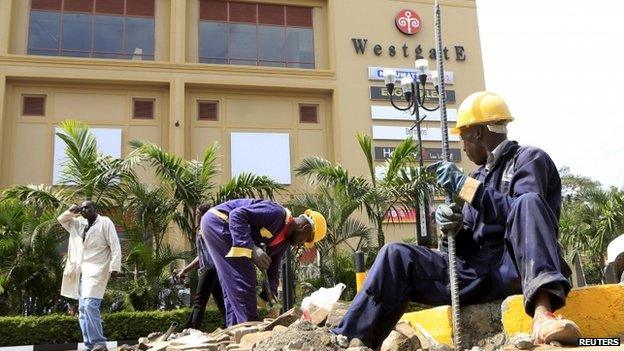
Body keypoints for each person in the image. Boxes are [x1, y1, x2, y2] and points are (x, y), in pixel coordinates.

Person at [332, 91, 581, 348]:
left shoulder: (528, 159)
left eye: (463, 137)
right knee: (395, 255)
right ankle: (350, 339)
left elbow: (524, 214)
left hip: (515, 267)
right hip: (477, 274)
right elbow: (464, 247)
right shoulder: (479, 176)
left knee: (527, 202)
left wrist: (467, 188)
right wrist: (453, 229)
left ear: (478, 132)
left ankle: (543, 316)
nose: (462, 145)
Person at [200, 198, 326, 326]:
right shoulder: (277, 213)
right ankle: (249, 328)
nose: (301, 244)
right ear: (304, 228)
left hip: (218, 227)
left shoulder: (283, 242)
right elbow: (237, 215)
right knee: (243, 276)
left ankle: (235, 331)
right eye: (305, 240)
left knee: (232, 285)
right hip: (219, 221)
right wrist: (252, 248)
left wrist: (269, 292)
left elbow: (273, 265)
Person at [58, 201, 122, 351]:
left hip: (98, 270)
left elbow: (115, 245)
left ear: (95, 209)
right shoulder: (78, 224)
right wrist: (71, 211)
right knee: (82, 310)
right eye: (82, 208)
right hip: (80, 271)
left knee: (90, 306)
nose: (84, 210)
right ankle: (89, 344)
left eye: (87, 207)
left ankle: (99, 342)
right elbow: (62, 219)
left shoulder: (105, 222)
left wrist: (114, 267)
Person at [176, 204, 226, 329]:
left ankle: (193, 328)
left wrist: (205, 231)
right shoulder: (204, 230)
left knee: (199, 301)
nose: (196, 217)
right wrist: (185, 270)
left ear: (204, 215)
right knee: (220, 301)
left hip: (210, 269)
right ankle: (231, 324)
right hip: (214, 270)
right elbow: (201, 257)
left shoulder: (207, 228)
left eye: (198, 214)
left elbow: (213, 244)